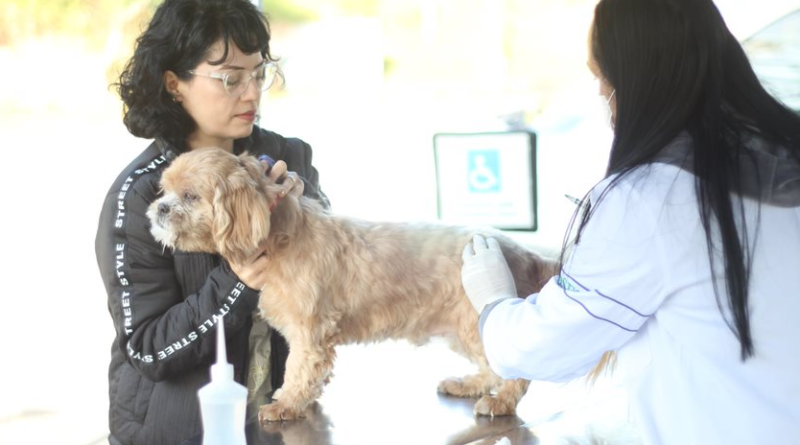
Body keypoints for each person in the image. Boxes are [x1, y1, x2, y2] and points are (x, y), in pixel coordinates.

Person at [460, 0, 800, 444]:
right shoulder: (783, 153)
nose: (602, 92)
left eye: (603, 75)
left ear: (638, 77)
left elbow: (543, 347)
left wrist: (494, 300)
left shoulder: (652, 200)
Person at [94, 1, 329, 444]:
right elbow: (149, 349)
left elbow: (330, 291)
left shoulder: (290, 161)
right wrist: (238, 280)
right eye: (230, 79)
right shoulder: (143, 195)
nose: (252, 94)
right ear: (174, 83)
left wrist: (304, 220)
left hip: (283, 421)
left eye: (259, 73)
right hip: (174, 431)